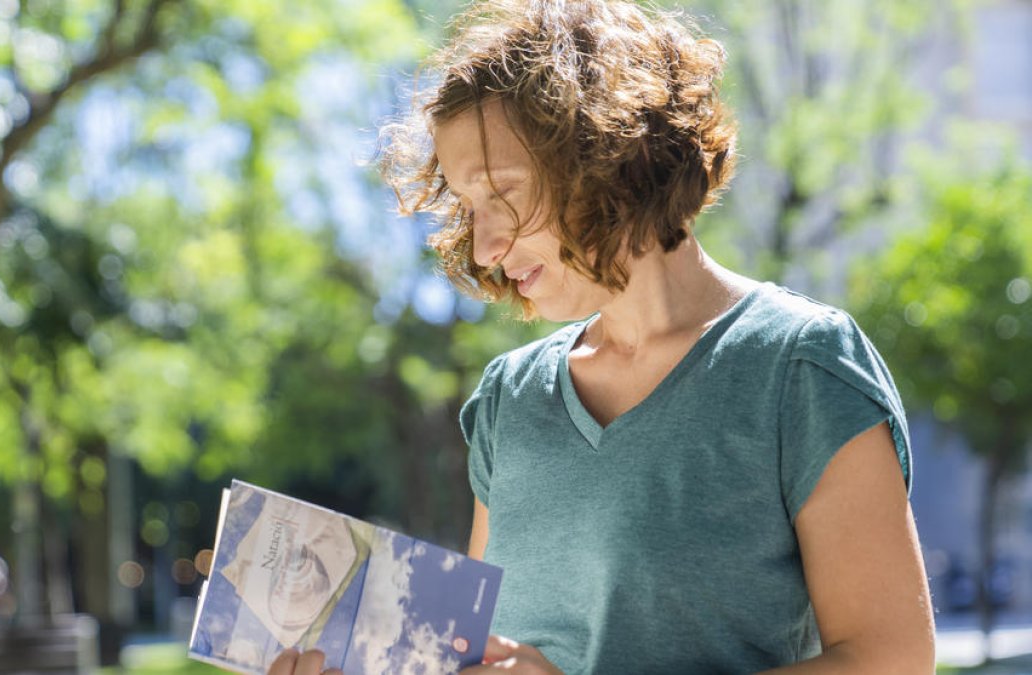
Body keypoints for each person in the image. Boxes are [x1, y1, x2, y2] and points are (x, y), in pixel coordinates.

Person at [270, 1, 935, 673]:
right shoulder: (509, 398)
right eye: (469, 211)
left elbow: (892, 658)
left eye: (502, 193)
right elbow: (480, 657)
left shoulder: (800, 367)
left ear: (615, 152)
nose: (487, 245)